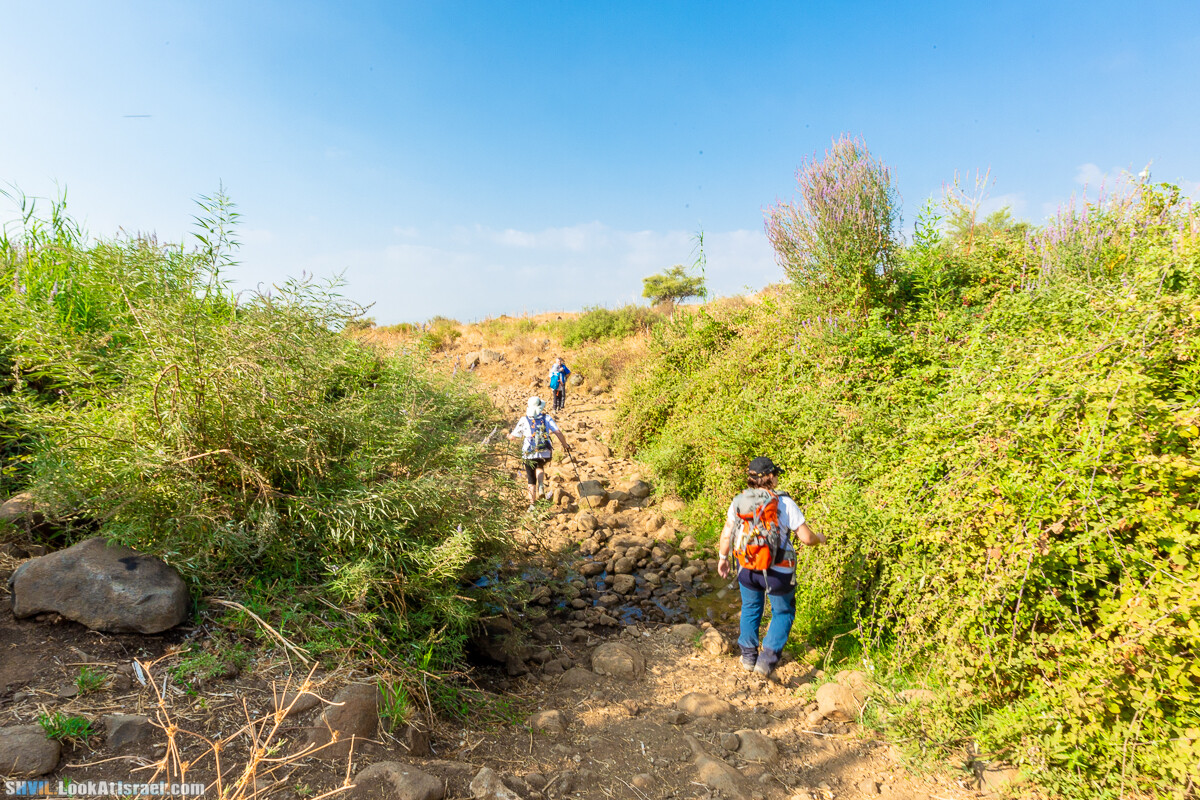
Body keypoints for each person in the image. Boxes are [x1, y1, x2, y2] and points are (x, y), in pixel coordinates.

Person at [716, 456, 826, 678]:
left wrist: (722, 558)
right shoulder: (785, 503)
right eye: (776, 474)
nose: (777, 478)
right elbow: (806, 538)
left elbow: (727, 533)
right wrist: (820, 539)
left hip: (746, 566)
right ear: (770, 478)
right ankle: (765, 662)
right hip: (778, 571)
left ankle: (748, 657)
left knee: (750, 607)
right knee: (783, 611)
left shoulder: (738, 501)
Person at [508, 396, 570, 511]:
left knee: (531, 479)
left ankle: (532, 504)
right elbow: (558, 431)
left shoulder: (523, 420)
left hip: (528, 453)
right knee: (540, 466)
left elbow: (512, 437)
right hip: (544, 452)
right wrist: (565, 445)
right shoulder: (547, 418)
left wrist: (508, 436)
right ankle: (541, 485)